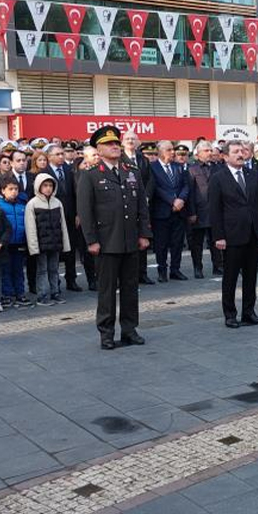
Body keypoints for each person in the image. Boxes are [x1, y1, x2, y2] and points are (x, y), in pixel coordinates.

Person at [76, 125, 151, 350]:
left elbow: (141, 206)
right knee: (107, 291)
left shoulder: (131, 171)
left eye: (117, 143)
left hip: (130, 240)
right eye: (110, 144)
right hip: (107, 242)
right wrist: (91, 240)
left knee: (130, 288)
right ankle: (106, 332)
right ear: (98, 149)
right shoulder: (90, 175)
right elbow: (85, 211)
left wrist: (144, 233)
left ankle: (129, 329)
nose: (115, 146)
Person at [209, 140, 258, 328]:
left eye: (242, 151)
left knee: (251, 276)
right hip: (231, 234)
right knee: (230, 277)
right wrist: (218, 236)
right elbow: (215, 209)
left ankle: (249, 312)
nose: (240, 154)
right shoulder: (218, 178)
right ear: (225, 156)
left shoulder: (253, 175)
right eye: (235, 152)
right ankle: (230, 314)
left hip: (252, 232)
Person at [44, 143, 90, 291]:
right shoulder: (43, 172)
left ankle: (71, 280)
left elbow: (76, 192)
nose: (61, 156)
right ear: (49, 157)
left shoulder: (69, 170)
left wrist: (78, 213)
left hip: (70, 215)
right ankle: (53, 282)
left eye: (62, 154)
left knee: (70, 249)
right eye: (57, 154)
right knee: (55, 250)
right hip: (52, 216)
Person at [147, 141, 191, 282]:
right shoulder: (152, 167)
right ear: (159, 151)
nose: (172, 152)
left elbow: (186, 185)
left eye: (172, 149)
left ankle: (175, 269)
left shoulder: (179, 167)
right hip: (162, 211)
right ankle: (162, 270)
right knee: (161, 243)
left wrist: (181, 200)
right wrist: (172, 201)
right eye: (168, 150)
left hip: (179, 211)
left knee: (177, 243)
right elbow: (156, 188)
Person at [25, 173, 70, 306]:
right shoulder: (32, 204)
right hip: (41, 244)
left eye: (50, 185)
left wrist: (65, 244)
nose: (48, 188)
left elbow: (63, 225)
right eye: (45, 185)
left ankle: (55, 292)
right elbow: (30, 227)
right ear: (39, 186)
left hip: (55, 243)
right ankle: (43, 295)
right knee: (42, 270)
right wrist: (33, 247)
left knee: (54, 269)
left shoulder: (57, 202)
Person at [186, 141, 223, 278]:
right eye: (206, 151)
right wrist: (192, 212)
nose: (210, 153)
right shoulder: (192, 169)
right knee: (197, 243)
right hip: (199, 211)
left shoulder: (218, 167)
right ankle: (198, 268)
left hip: (215, 211)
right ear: (198, 153)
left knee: (216, 241)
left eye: (210, 150)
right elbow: (190, 192)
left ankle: (218, 266)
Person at [0, 175, 30, 306]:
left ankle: (20, 293)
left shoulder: (22, 204)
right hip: (5, 243)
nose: (14, 192)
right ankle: (7, 294)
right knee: (5, 269)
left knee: (18, 269)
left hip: (19, 241)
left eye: (16, 189)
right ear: (2, 190)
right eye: (10, 189)